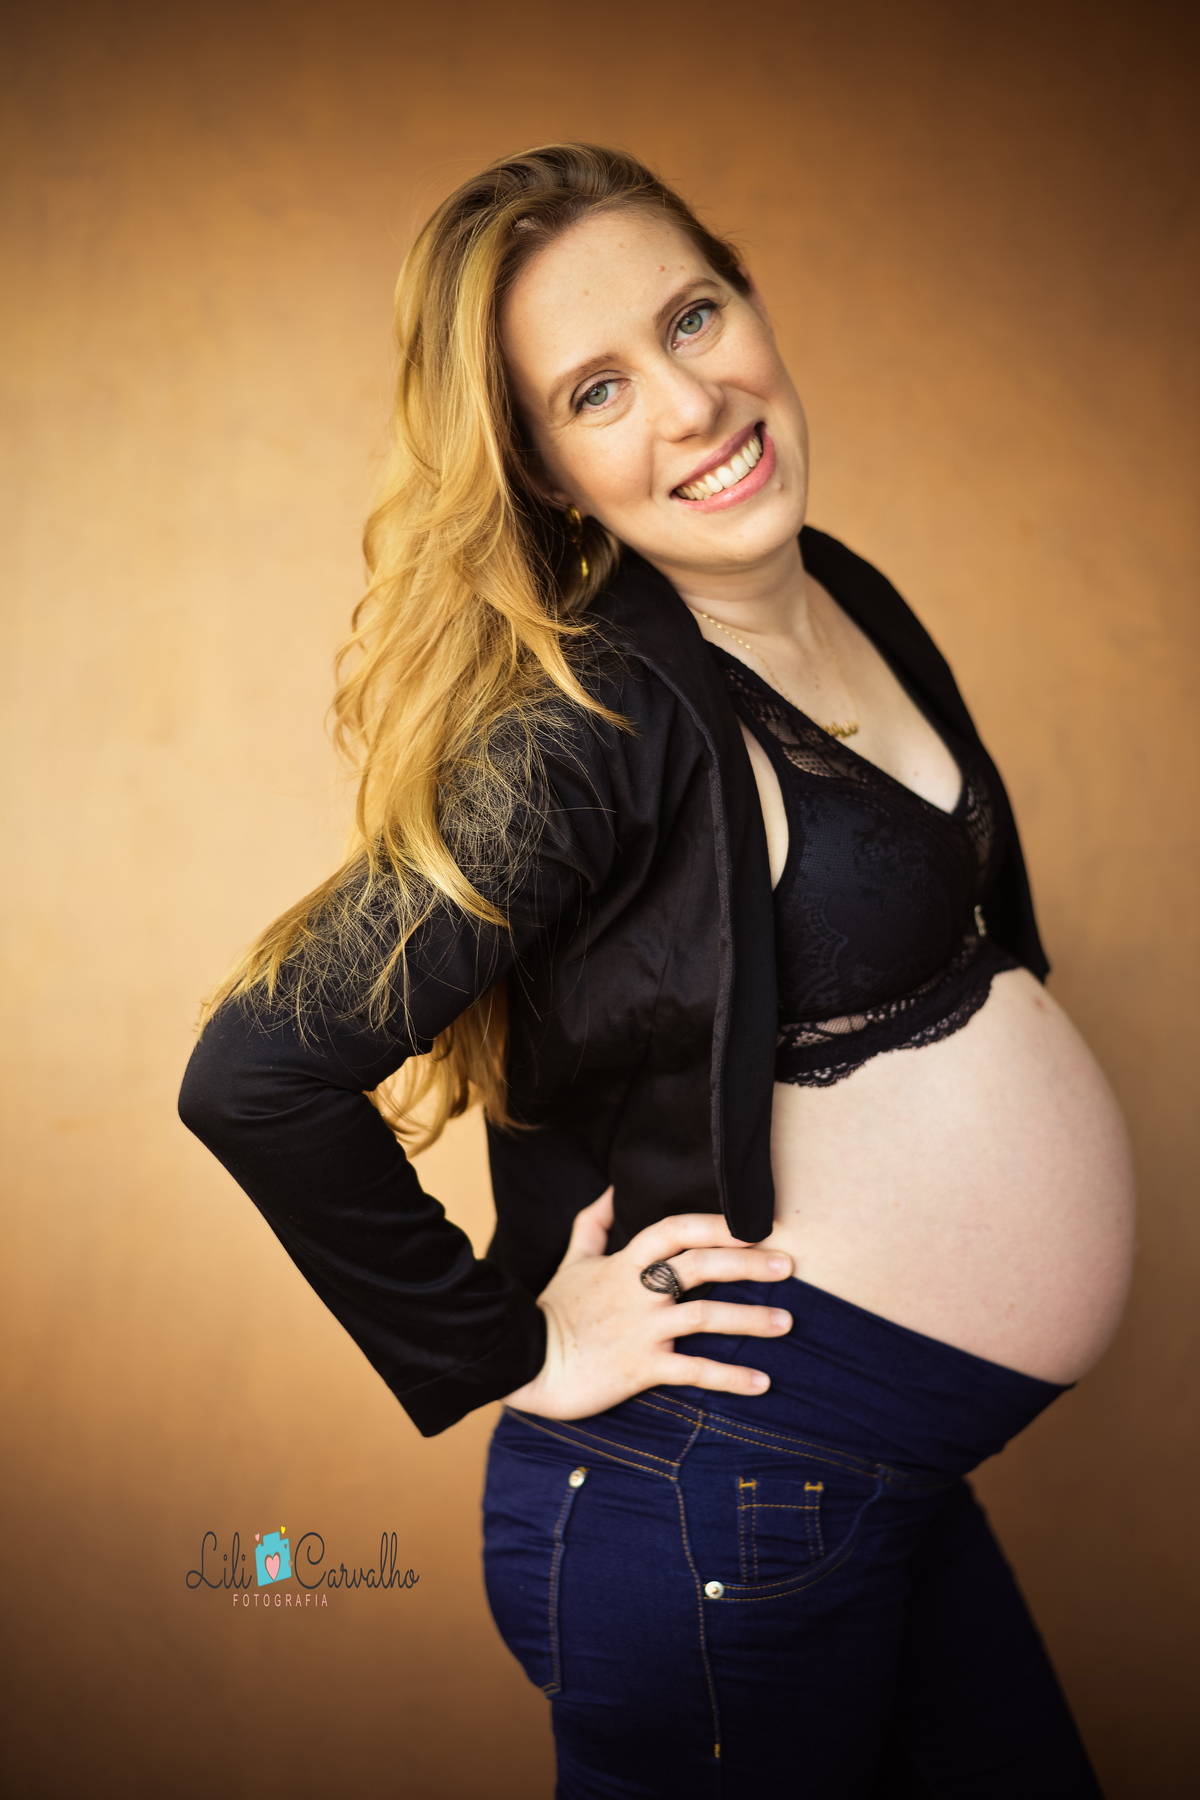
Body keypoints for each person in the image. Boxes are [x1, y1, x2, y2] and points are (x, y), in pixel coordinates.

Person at [179, 143, 1134, 1796]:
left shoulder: (848, 593)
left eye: (696, 317)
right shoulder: (580, 724)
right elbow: (255, 1071)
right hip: (714, 1495)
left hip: (871, 1478)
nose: (692, 403)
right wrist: (515, 1349)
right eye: (600, 388)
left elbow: (985, 937)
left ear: (753, 303)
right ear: (543, 469)